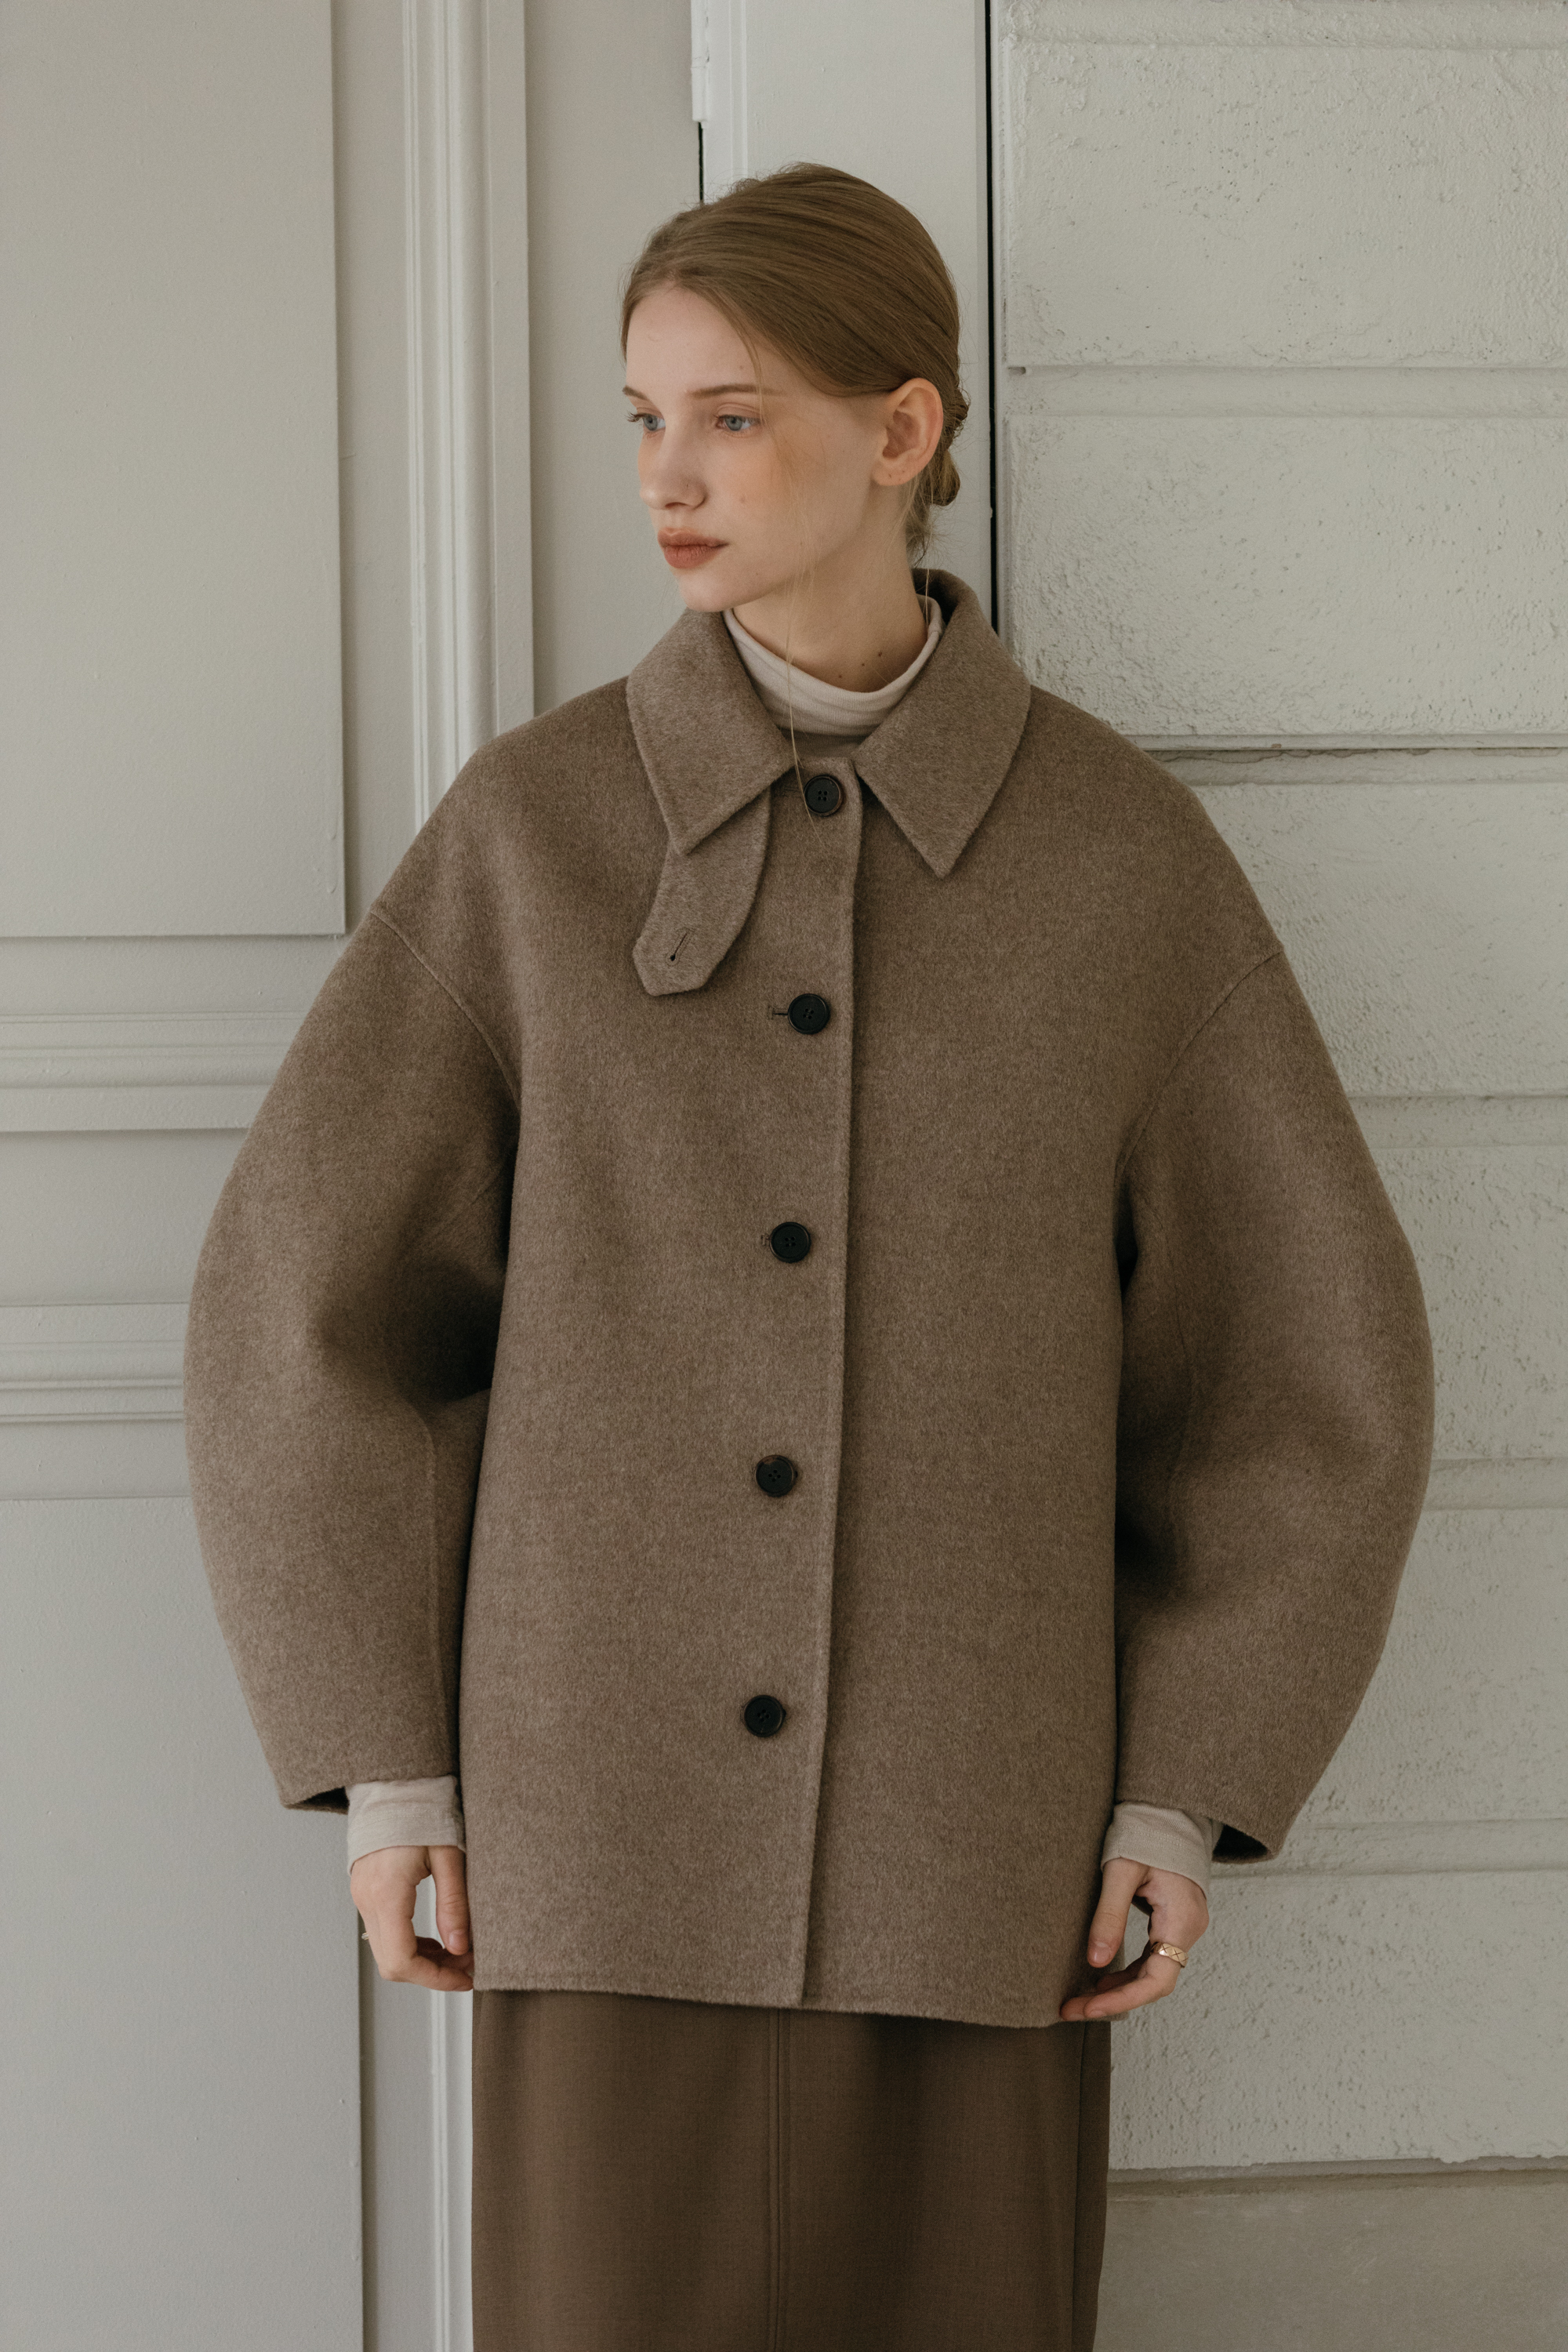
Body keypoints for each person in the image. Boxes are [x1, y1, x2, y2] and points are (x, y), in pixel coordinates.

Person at [183, 164, 1435, 2350]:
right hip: (601, 1830)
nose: (665, 478)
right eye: (644, 417)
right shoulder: (535, 834)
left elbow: (1306, 1369)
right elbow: (307, 1312)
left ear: (903, 430)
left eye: (732, 416)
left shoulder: (1119, 865)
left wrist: (1182, 1786)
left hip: (980, 1847)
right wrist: (393, 1764)